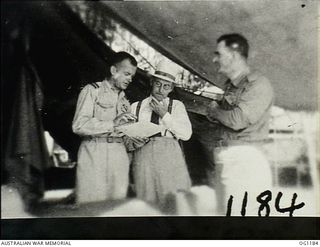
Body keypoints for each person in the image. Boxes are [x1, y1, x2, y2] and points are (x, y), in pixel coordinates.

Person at [207, 33, 274, 215]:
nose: (215, 59)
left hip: (245, 160)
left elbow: (237, 120)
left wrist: (214, 111)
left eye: (219, 54)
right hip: (226, 158)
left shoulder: (259, 84)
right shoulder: (231, 85)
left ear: (234, 56)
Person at [72, 51, 137, 204]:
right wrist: (112, 123)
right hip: (95, 151)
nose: (130, 79)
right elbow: (78, 125)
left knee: (116, 206)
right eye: (127, 74)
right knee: (90, 204)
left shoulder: (126, 100)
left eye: (132, 76)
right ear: (114, 71)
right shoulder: (91, 90)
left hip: (119, 155)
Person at [128, 59, 192, 208]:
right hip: (143, 155)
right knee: (146, 200)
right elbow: (127, 137)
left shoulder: (176, 106)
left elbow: (186, 134)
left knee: (173, 201)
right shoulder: (136, 107)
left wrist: (164, 115)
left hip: (169, 156)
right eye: (158, 84)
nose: (161, 89)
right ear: (151, 82)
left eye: (166, 86)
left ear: (171, 89)